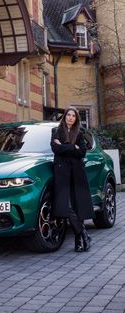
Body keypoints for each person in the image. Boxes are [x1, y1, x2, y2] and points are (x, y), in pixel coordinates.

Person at [51, 106, 94, 252]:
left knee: (78, 206)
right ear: (64, 117)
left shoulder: (80, 133)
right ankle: (83, 233)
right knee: (66, 205)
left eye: (73, 116)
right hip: (62, 173)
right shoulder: (56, 131)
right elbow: (55, 149)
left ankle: (79, 242)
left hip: (77, 172)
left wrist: (65, 146)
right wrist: (72, 147)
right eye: (68, 115)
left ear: (76, 118)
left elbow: (82, 152)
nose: (70, 117)